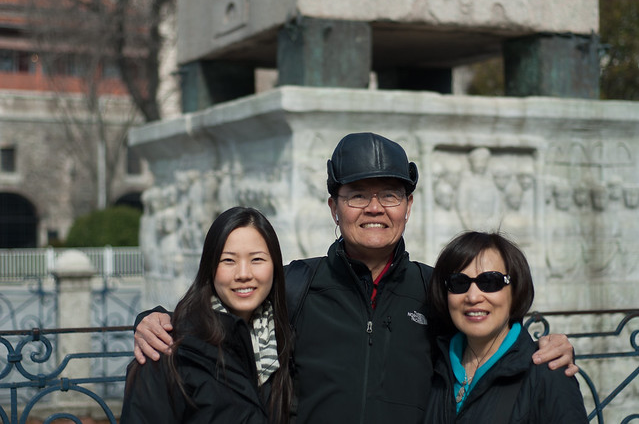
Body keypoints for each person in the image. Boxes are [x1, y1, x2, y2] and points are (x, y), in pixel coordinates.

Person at [132, 132, 578, 424]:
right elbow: (224, 317)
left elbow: (486, 330)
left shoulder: (434, 291)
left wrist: (547, 348)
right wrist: (157, 319)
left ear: (408, 206)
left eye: (390, 194)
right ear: (334, 207)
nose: (374, 208)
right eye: (357, 195)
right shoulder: (296, 289)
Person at [121, 207, 293, 424]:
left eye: (257, 259)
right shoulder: (166, 349)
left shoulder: (286, 341)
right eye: (228, 260)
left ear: (275, 266)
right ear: (210, 268)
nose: (243, 274)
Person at [424, 231, 588, 423]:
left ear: (516, 290)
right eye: (459, 283)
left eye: (490, 282)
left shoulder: (548, 371)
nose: (473, 297)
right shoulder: (434, 364)